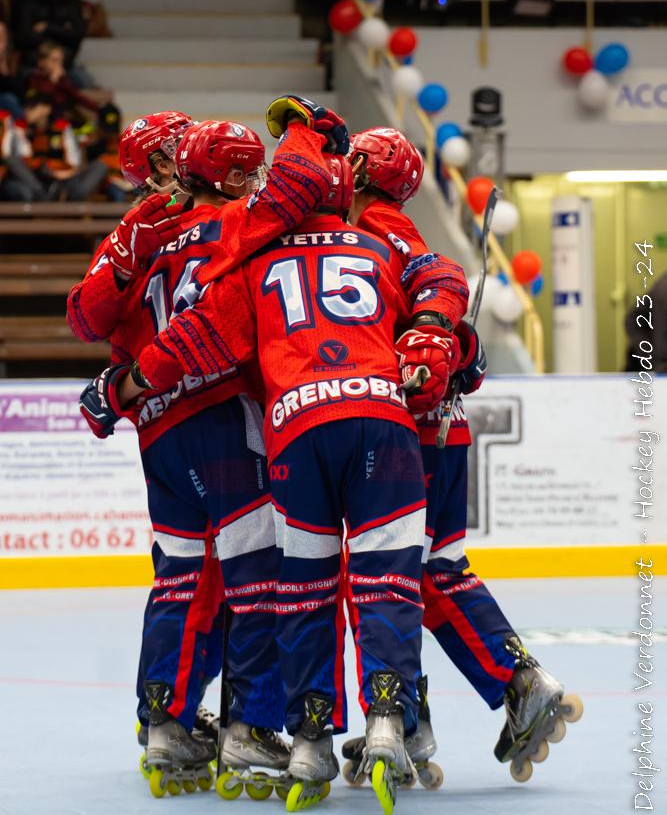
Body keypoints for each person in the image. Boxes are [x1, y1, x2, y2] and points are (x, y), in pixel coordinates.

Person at [106, 119, 463, 815]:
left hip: (293, 430)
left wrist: (121, 390)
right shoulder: (379, 244)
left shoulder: (251, 256)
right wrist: (440, 339)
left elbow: (196, 338)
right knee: (386, 581)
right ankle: (391, 723)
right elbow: (440, 282)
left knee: (298, 590)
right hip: (379, 416)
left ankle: (306, 740)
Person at [73, 100, 339, 791]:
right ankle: (248, 728)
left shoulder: (138, 235)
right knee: (257, 576)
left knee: (179, 580)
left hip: (157, 428)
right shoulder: (230, 224)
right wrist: (308, 133)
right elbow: (290, 195)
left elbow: (82, 315)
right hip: (220, 410)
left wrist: (127, 256)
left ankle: (164, 726)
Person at [343, 127, 583, 785]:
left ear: (357, 172)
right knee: (429, 569)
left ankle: (490, 690)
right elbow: (464, 358)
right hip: (444, 432)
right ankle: (431, 713)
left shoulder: (354, 243)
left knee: (384, 576)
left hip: (400, 436)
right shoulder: (416, 245)